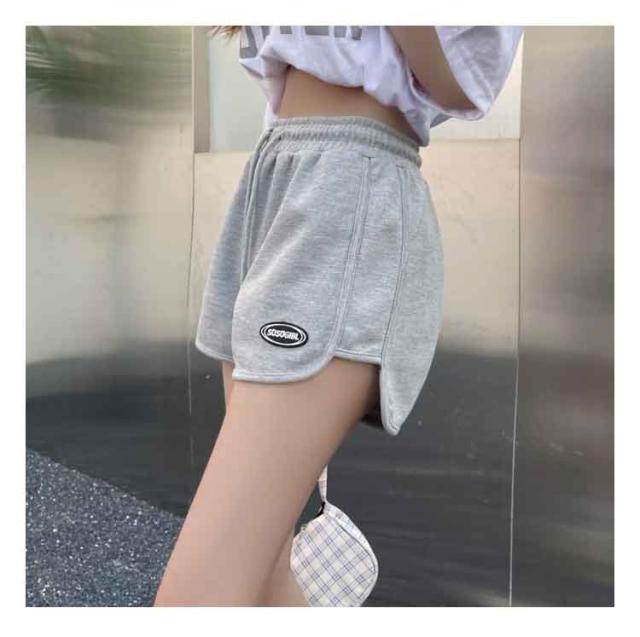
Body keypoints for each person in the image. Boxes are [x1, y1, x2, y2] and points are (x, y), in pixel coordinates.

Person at [154, 25, 524, 607]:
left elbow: (462, 83)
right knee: (264, 577)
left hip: (348, 185)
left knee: (196, 601)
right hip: (272, 177)